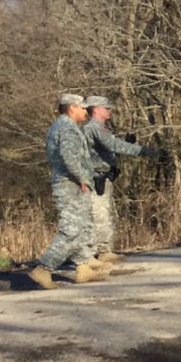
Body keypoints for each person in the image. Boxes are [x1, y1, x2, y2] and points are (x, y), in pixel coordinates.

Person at [29, 94, 109, 289]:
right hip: (69, 183)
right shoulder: (66, 128)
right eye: (82, 108)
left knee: (80, 226)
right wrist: (82, 177)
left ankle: (82, 268)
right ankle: (44, 268)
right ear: (72, 108)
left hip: (71, 181)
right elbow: (69, 157)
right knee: (71, 229)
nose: (85, 111)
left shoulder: (66, 126)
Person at [82, 95, 158, 263]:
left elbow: (108, 149)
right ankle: (91, 255)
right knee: (98, 215)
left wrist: (126, 143)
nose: (110, 110)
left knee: (105, 213)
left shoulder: (101, 128)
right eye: (106, 108)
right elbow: (114, 145)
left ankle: (104, 250)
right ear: (96, 110)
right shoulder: (94, 128)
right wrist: (142, 151)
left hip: (105, 177)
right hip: (97, 178)